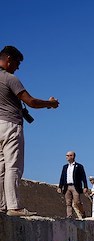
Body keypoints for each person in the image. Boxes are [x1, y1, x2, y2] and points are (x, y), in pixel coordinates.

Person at [0, 45, 59, 216]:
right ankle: (14, 206)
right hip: (10, 125)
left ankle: (2, 205)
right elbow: (31, 102)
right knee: (13, 166)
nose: (18, 67)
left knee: (1, 167)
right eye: (17, 63)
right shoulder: (10, 78)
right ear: (9, 59)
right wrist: (51, 104)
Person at [57, 151, 88, 219]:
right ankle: (69, 216)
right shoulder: (65, 167)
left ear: (73, 156)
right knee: (68, 203)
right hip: (66, 187)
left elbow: (83, 177)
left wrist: (85, 186)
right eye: (66, 155)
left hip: (75, 186)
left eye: (69, 155)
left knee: (77, 202)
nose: (67, 157)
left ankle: (82, 213)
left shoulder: (79, 166)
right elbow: (62, 177)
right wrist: (60, 187)